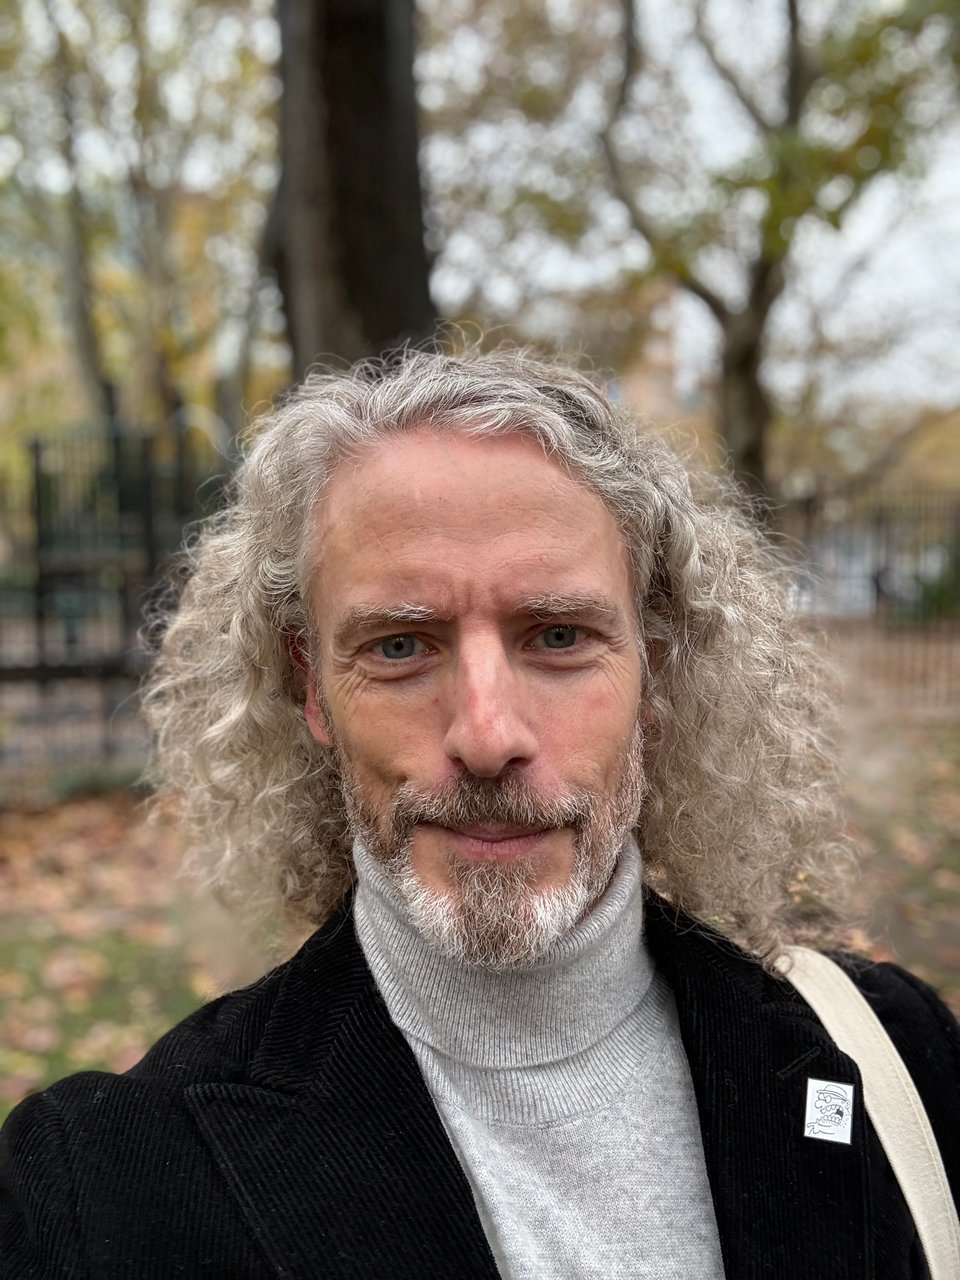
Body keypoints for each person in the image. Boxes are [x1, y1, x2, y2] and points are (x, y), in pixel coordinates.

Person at [1, 346, 957, 1279]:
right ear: (311, 688)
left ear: (654, 669)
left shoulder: (897, 1059)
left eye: (557, 636)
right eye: (401, 646)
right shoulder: (94, 1193)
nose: (488, 734)